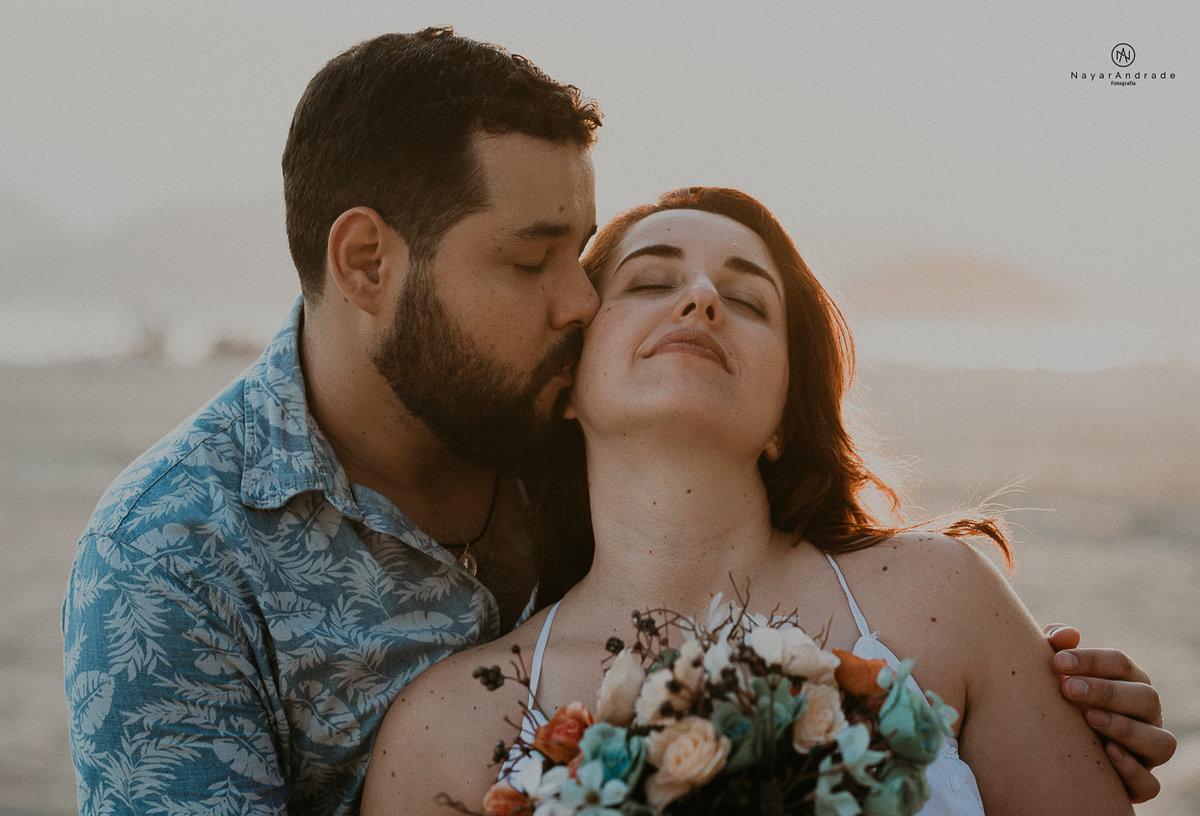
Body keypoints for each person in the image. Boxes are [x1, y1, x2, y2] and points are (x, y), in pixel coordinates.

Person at [61, 29, 1172, 816]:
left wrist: (1047, 701)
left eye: (745, 295)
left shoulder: (932, 599)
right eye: (534, 258)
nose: (583, 301)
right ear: (367, 262)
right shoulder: (173, 561)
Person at [362, 187, 1171, 815]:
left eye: (747, 301)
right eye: (649, 281)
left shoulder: (944, 601)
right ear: (566, 383)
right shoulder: (447, 726)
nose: (702, 299)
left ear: (786, 412)